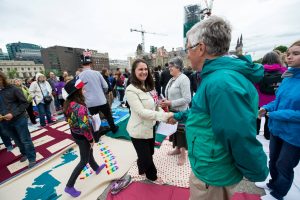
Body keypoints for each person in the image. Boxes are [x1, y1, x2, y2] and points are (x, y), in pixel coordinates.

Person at [168, 16, 268, 200]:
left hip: (213, 173)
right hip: (210, 165)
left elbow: (237, 134)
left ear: (201, 47)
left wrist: (258, 170)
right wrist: (181, 116)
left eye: (188, 48)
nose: (187, 54)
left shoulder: (221, 83)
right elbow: (204, 114)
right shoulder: (217, 78)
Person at [256, 40, 300, 200]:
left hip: (294, 134)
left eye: (296, 54)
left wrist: (275, 114)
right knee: (273, 159)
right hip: (277, 128)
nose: (289, 57)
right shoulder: (287, 76)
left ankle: (278, 193)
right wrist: (267, 107)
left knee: (285, 164)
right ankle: (273, 183)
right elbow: (278, 100)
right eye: (288, 54)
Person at [125, 59, 173, 185]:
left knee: (149, 152)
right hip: (138, 130)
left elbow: (155, 106)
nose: (144, 72)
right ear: (134, 71)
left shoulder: (148, 86)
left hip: (150, 126)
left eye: (145, 69)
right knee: (147, 157)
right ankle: (152, 175)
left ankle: (141, 165)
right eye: (140, 69)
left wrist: (165, 116)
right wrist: (165, 117)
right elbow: (141, 112)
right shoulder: (131, 90)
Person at [63, 78, 106, 197]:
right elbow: (84, 127)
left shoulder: (68, 104)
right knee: (83, 160)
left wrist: (87, 118)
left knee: (88, 152)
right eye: (82, 89)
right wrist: (91, 139)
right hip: (82, 136)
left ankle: (96, 167)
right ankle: (69, 186)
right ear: (77, 92)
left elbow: (70, 120)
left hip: (75, 134)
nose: (85, 90)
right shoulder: (80, 107)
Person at [0, 72, 36, 168]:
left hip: (19, 119)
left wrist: (13, 113)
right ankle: (24, 153)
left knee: (25, 139)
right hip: (4, 122)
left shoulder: (14, 89)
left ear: (2, 78)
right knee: (16, 140)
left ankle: (32, 158)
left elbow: (25, 103)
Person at [160, 57, 191, 166]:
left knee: (181, 133)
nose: (169, 68)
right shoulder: (172, 78)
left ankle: (183, 154)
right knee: (175, 132)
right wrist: (165, 100)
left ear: (178, 67)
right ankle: (177, 149)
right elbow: (169, 93)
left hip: (181, 111)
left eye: (171, 66)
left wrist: (170, 103)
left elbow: (187, 99)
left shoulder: (184, 79)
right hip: (172, 110)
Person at [79, 52, 119, 133]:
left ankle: (98, 132)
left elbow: (79, 90)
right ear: (90, 63)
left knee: (95, 118)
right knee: (108, 115)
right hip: (101, 99)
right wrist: (102, 92)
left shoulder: (79, 76)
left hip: (89, 102)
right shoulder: (97, 73)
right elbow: (105, 86)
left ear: (82, 64)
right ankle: (113, 128)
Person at [255, 51, 286, 140]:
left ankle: (256, 132)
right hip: (274, 100)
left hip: (259, 99)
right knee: (270, 117)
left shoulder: (259, 71)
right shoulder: (284, 71)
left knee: (257, 116)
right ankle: (268, 135)